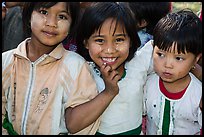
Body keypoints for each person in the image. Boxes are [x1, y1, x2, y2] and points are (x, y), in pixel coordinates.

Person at [2, 2, 121, 135]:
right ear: (29, 15)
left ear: (72, 25)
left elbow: (84, 128)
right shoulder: (6, 61)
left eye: (62, 17)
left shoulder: (75, 66)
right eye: (44, 12)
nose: (52, 23)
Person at [76, 2, 155, 135]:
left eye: (119, 40)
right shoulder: (83, 72)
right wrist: (109, 91)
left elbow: (170, 49)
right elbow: (73, 124)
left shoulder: (139, 63)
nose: (109, 50)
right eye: (100, 40)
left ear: (130, 41)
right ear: (86, 43)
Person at [143, 9, 202, 135]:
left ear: (195, 60)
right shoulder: (147, 84)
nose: (167, 65)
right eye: (161, 54)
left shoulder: (198, 94)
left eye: (178, 58)